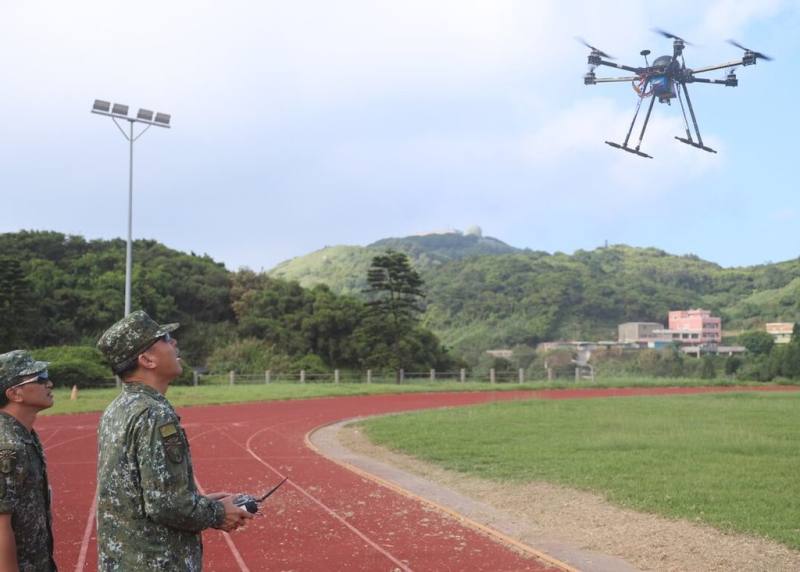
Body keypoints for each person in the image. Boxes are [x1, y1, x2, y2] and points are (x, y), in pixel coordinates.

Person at [95, 311, 252, 570]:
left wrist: (201, 502)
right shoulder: (154, 414)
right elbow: (166, 504)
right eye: (166, 338)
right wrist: (218, 512)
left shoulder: (118, 407)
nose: (175, 343)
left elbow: (139, 492)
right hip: (157, 561)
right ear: (146, 359)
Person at [0, 350, 57, 572]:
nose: (49, 383)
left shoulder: (24, 435)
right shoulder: (8, 446)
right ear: (15, 393)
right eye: (40, 378)